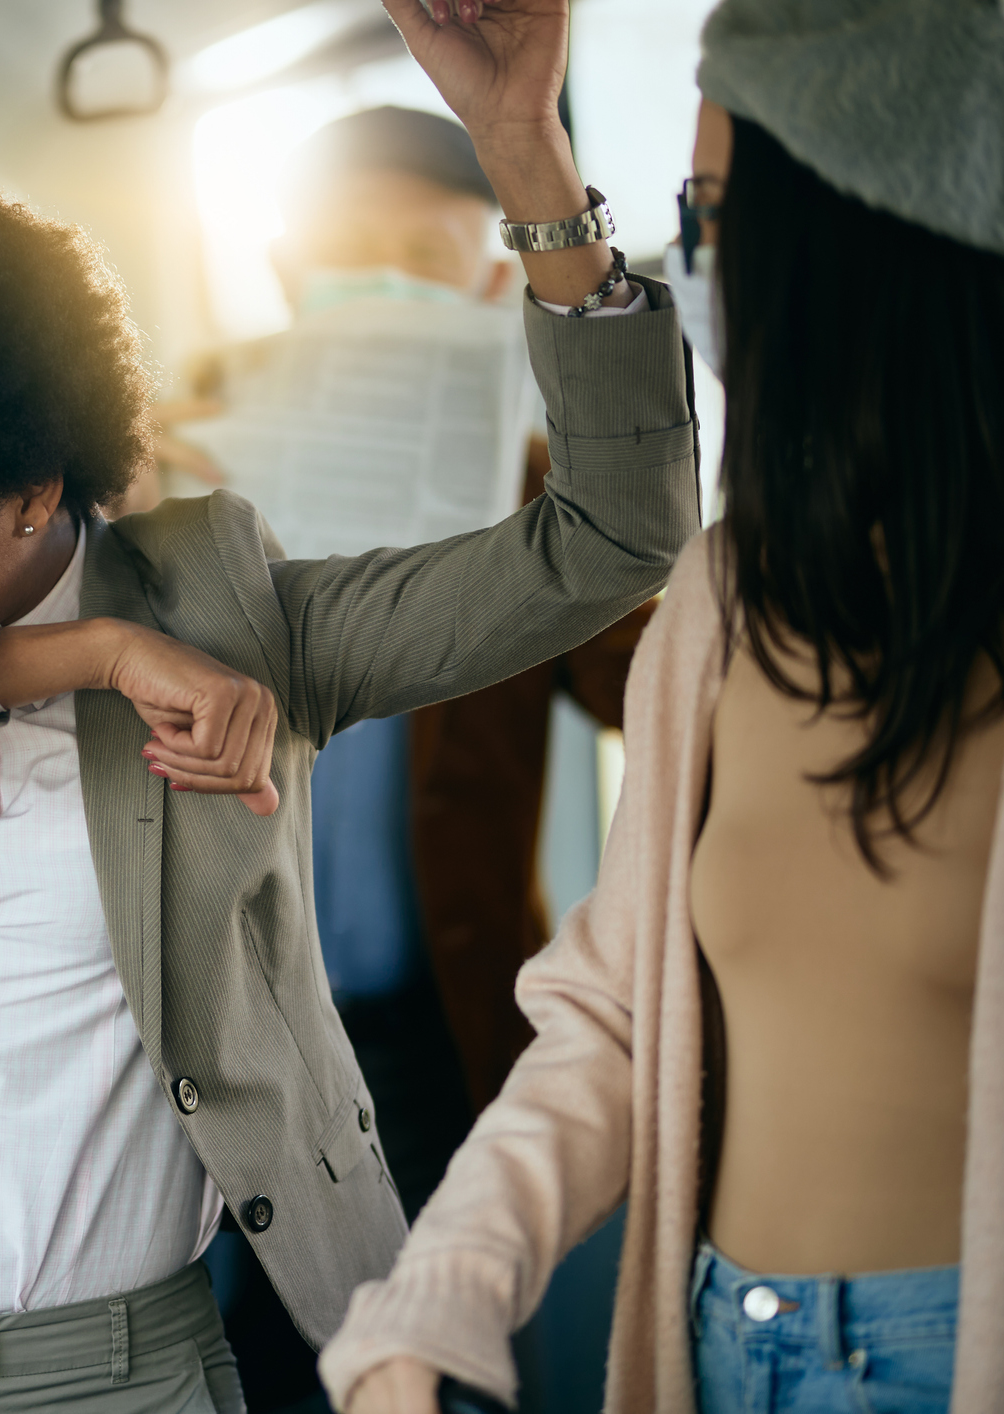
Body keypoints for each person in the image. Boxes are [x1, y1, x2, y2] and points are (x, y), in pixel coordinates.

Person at [0, 154, 695, 1412]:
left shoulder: (245, 626)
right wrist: (84, 653)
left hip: (123, 1380)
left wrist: (534, 172)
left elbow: (618, 537)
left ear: (35, 486)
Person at [320, 0, 1004, 1410]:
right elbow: (612, 1014)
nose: (693, 259)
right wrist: (433, 1302)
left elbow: (603, 536)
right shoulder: (735, 597)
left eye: (709, 215)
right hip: (721, 1347)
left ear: (855, 240)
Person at [158, 107, 657, 1413]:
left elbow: (661, 693)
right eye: (342, 248)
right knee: (235, 1364)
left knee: (434, 1357)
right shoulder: (181, 476)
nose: (373, 273)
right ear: (283, 272)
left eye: (412, 247)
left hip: (430, 1016)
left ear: (491, 275)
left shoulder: (538, 506)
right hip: (213, 1021)